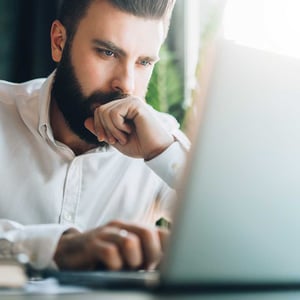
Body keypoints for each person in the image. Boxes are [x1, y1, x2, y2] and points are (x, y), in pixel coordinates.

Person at [0, 0, 189, 271]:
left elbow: (241, 239)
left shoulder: (161, 142)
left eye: (144, 62)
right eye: (108, 53)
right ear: (59, 42)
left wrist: (162, 153)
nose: (126, 84)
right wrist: (56, 248)